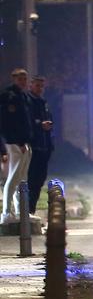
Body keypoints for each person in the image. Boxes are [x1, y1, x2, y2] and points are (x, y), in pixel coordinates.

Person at [0, 68, 33, 224]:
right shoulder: (8, 96)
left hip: (23, 143)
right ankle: (6, 213)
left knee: (22, 180)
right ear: (14, 79)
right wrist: (18, 142)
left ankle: (22, 212)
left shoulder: (23, 96)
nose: (23, 81)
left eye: (25, 78)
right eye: (20, 78)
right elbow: (8, 123)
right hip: (13, 143)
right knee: (13, 179)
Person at [26, 74, 53, 216]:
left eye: (42, 86)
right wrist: (39, 125)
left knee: (39, 180)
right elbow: (26, 121)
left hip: (44, 146)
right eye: (37, 85)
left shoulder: (43, 102)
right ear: (31, 85)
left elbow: (49, 119)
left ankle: (31, 210)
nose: (40, 89)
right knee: (31, 180)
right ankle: (27, 210)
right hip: (33, 146)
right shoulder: (27, 101)